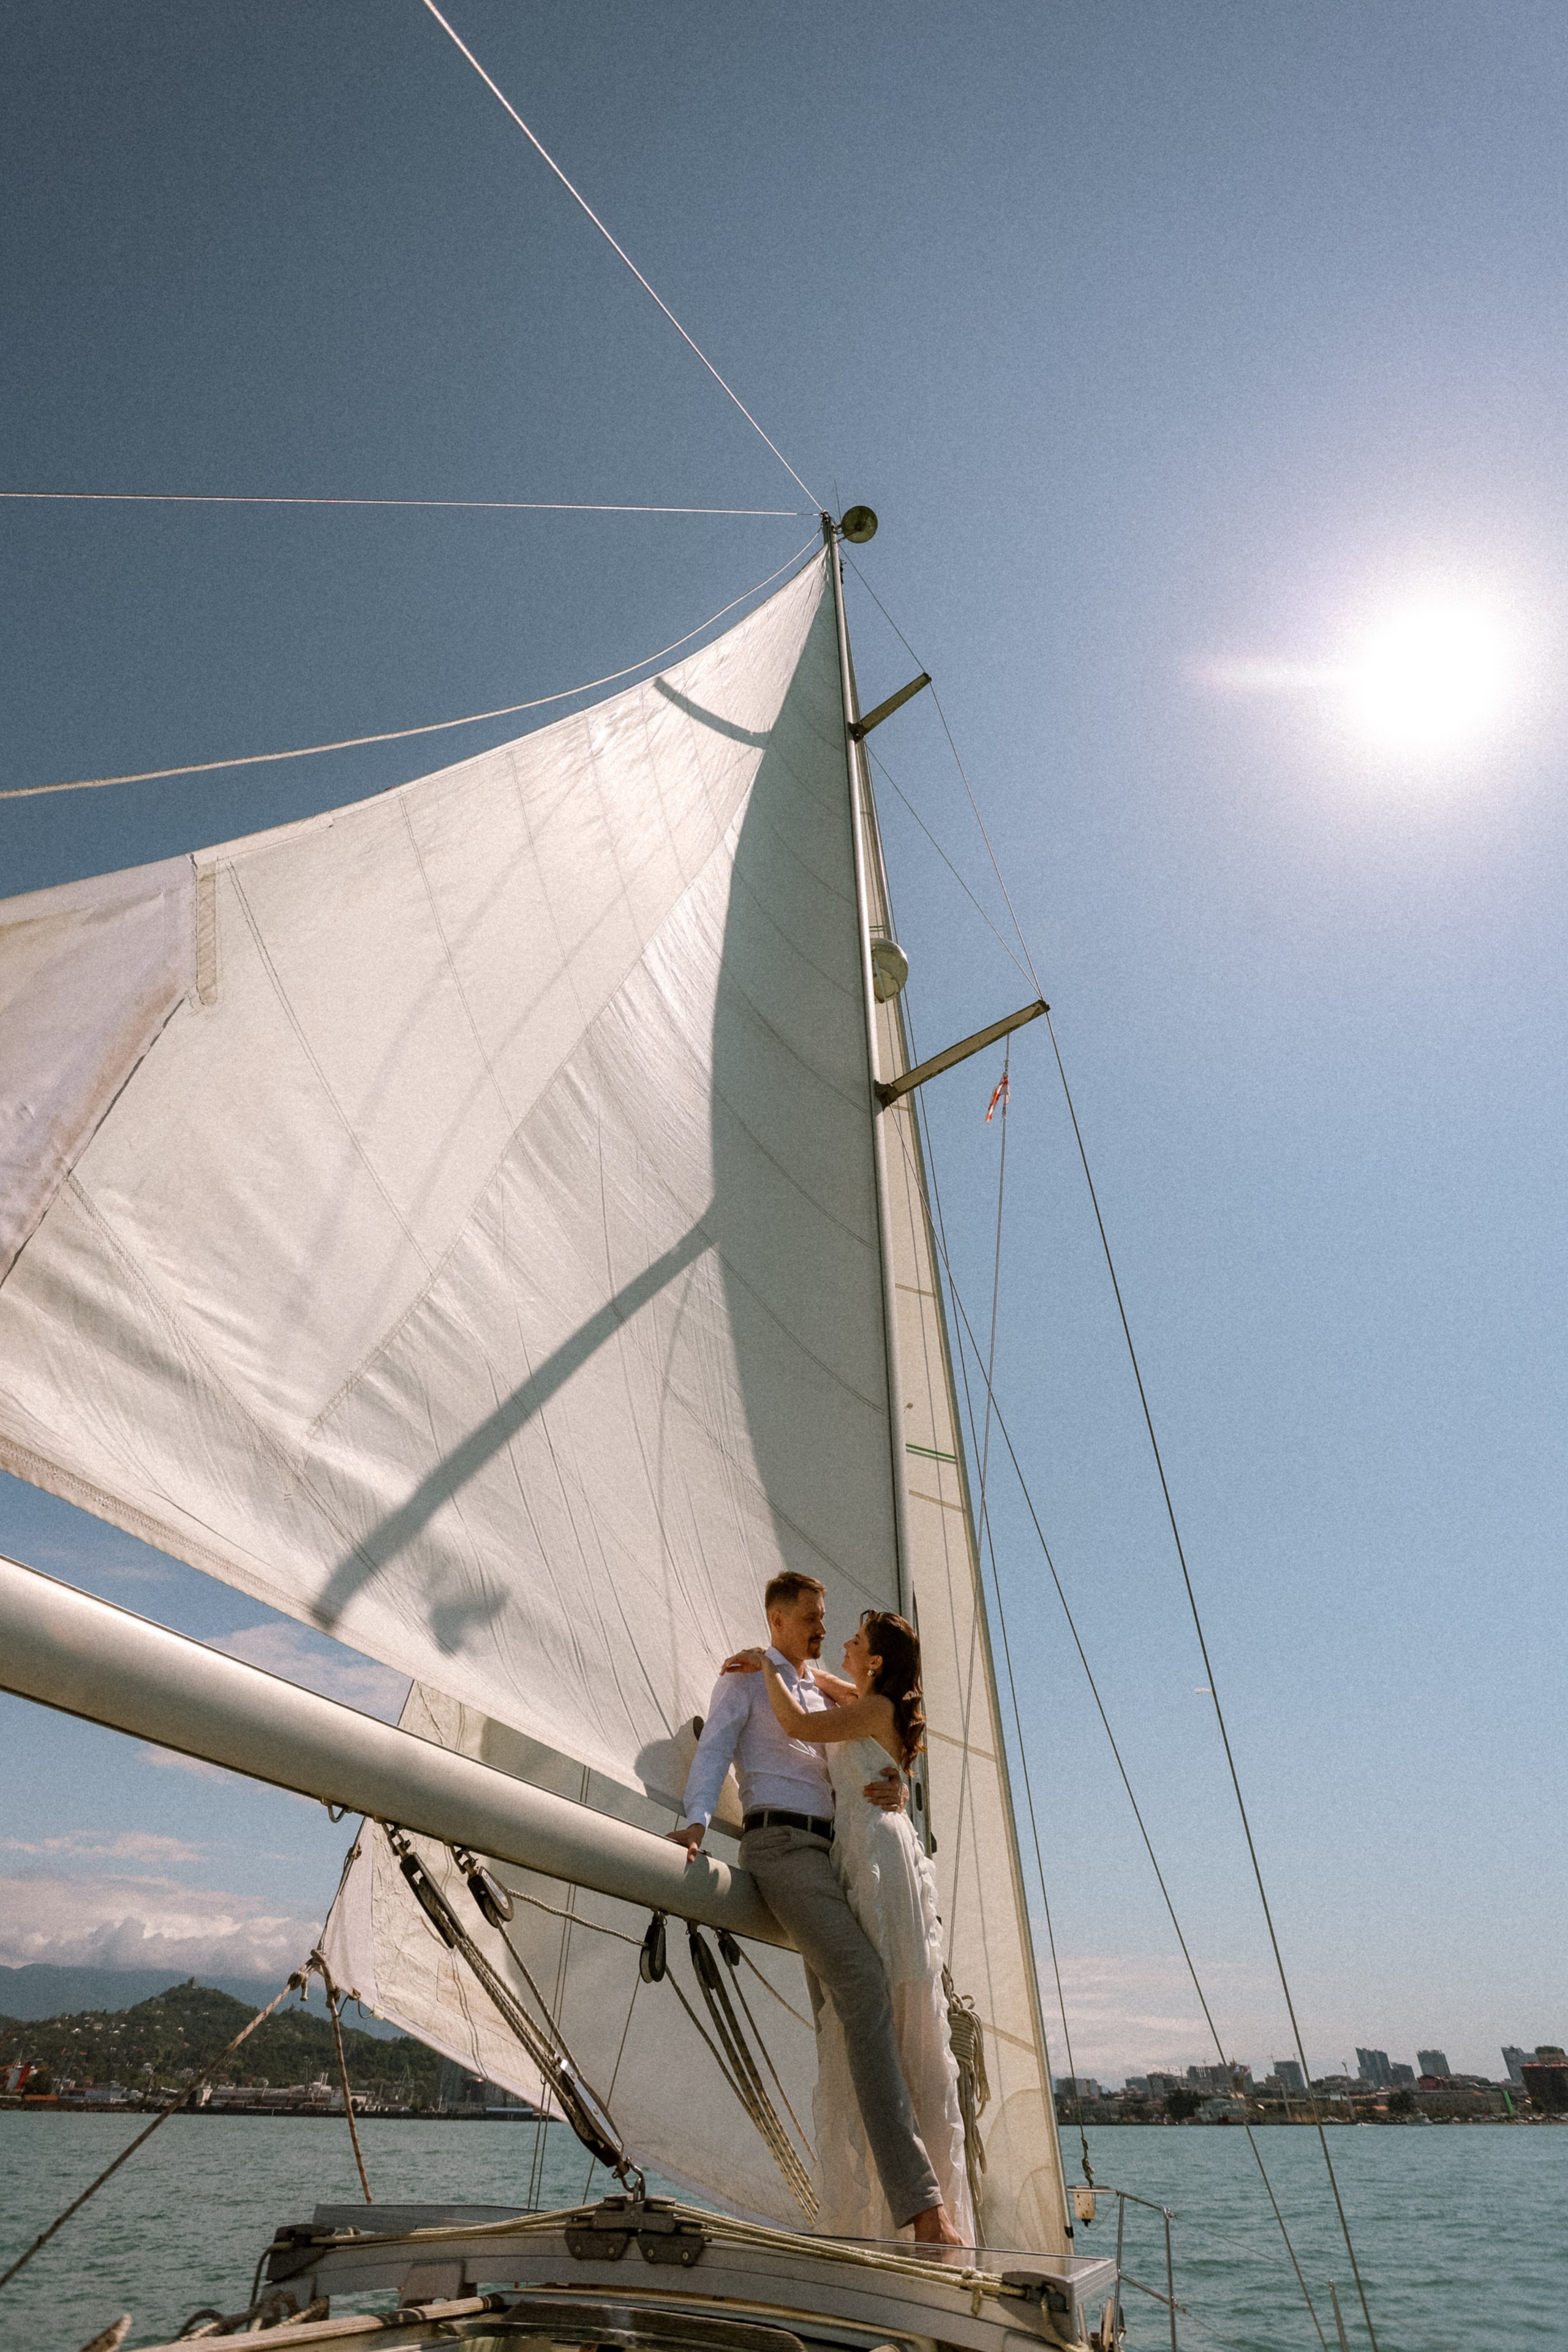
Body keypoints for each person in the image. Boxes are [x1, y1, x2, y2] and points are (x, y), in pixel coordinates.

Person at [669, 1571, 963, 2245]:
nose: (824, 1632)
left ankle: (859, 2224)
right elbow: (715, 1746)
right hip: (781, 1850)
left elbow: (871, 1738)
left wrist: (897, 1786)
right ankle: (922, 2209)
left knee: (863, 2015)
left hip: (836, 1861)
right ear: (777, 1620)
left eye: (830, 1622)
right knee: (864, 1990)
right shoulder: (746, 1678)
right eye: (812, 1619)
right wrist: (694, 1823)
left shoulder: (823, 1690)